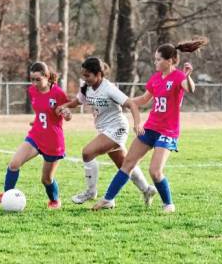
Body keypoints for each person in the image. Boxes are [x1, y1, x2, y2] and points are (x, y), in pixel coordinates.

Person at [92, 37, 208, 213]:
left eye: (159, 59)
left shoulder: (178, 77)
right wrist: (124, 102)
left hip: (167, 132)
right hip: (151, 127)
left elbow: (190, 88)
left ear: (170, 61)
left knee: (154, 171)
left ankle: (168, 204)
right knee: (127, 163)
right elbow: (145, 100)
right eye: (155, 59)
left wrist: (188, 76)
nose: (155, 62)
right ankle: (108, 199)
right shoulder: (155, 79)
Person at [57, 57, 157, 205]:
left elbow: (131, 104)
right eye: (83, 75)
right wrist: (64, 106)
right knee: (124, 164)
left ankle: (91, 192)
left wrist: (137, 124)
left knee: (87, 152)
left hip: (117, 128)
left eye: (87, 75)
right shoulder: (87, 88)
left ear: (98, 74)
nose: (85, 78)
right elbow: (78, 102)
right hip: (105, 129)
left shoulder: (109, 88)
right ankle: (147, 189)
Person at [0, 61, 71, 209]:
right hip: (36, 136)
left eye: (38, 79)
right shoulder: (32, 91)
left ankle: (55, 200)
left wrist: (66, 113)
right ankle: (6, 195)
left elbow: (67, 115)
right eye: (32, 79)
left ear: (47, 76)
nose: (34, 83)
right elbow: (41, 112)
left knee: (46, 179)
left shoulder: (58, 93)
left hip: (53, 142)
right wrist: (36, 121)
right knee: (13, 165)